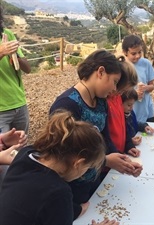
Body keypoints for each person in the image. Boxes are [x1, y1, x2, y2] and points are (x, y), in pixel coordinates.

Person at [50, 50, 142, 219]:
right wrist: (106, 160)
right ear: (100, 72)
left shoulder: (100, 101)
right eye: (114, 82)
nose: (115, 89)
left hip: (94, 178)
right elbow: (63, 156)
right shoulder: (67, 105)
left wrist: (121, 160)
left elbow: (104, 137)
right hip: (72, 186)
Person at [0, 111, 119, 225]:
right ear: (78, 163)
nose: (84, 173)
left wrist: (77, 210)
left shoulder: (26, 154)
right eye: (87, 168)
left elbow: (36, 201)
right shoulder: (58, 192)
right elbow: (51, 199)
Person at [0, 3, 31, 134]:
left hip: (19, 103)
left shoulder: (7, 34)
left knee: (21, 150)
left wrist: (16, 55)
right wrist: (1, 52)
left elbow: (28, 69)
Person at [106, 56, 141, 157]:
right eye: (123, 90)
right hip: (110, 159)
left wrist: (128, 145)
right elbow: (106, 136)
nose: (123, 93)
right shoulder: (105, 101)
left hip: (120, 154)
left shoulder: (117, 97)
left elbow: (123, 125)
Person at [122, 34, 154, 123]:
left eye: (140, 52)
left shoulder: (146, 63)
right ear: (125, 52)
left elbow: (152, 86)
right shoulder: (121, 67)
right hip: (130, 111)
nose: (137, 56)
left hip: (146, 110)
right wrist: (134, 94)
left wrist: (145, 88)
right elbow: (118, 93)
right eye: (133, 53)